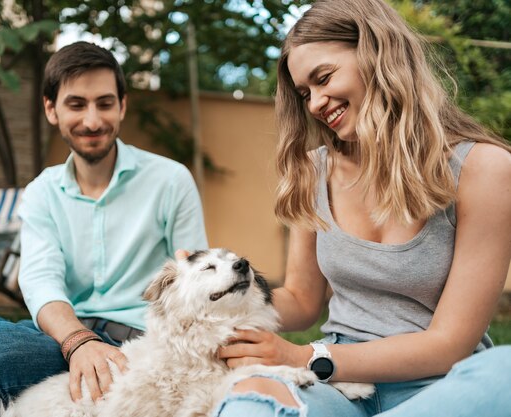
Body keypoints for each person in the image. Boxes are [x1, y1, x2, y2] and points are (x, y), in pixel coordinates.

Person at [211, 1, 511, 416]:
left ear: (377, 53)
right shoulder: (312, 171)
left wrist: (304, 358)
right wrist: (218, 298)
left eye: (324, 78)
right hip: (337, 385)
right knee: (252, 401)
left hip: (438, 385)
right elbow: (302, 298)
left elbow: (449, 343)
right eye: (305, 93)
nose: (315, 103)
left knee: (506, 371)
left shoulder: (483, 169)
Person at [0, 41, 208, 417]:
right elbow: (41, 280)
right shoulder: (42, 191)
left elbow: (193, 284)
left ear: (123, 105)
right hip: (56, 338)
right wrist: (78, 341)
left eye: (105, 103)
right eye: (76, 104)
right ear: (51, 109)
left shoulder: (171, 180)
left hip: (134, 347)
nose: (92, 121)